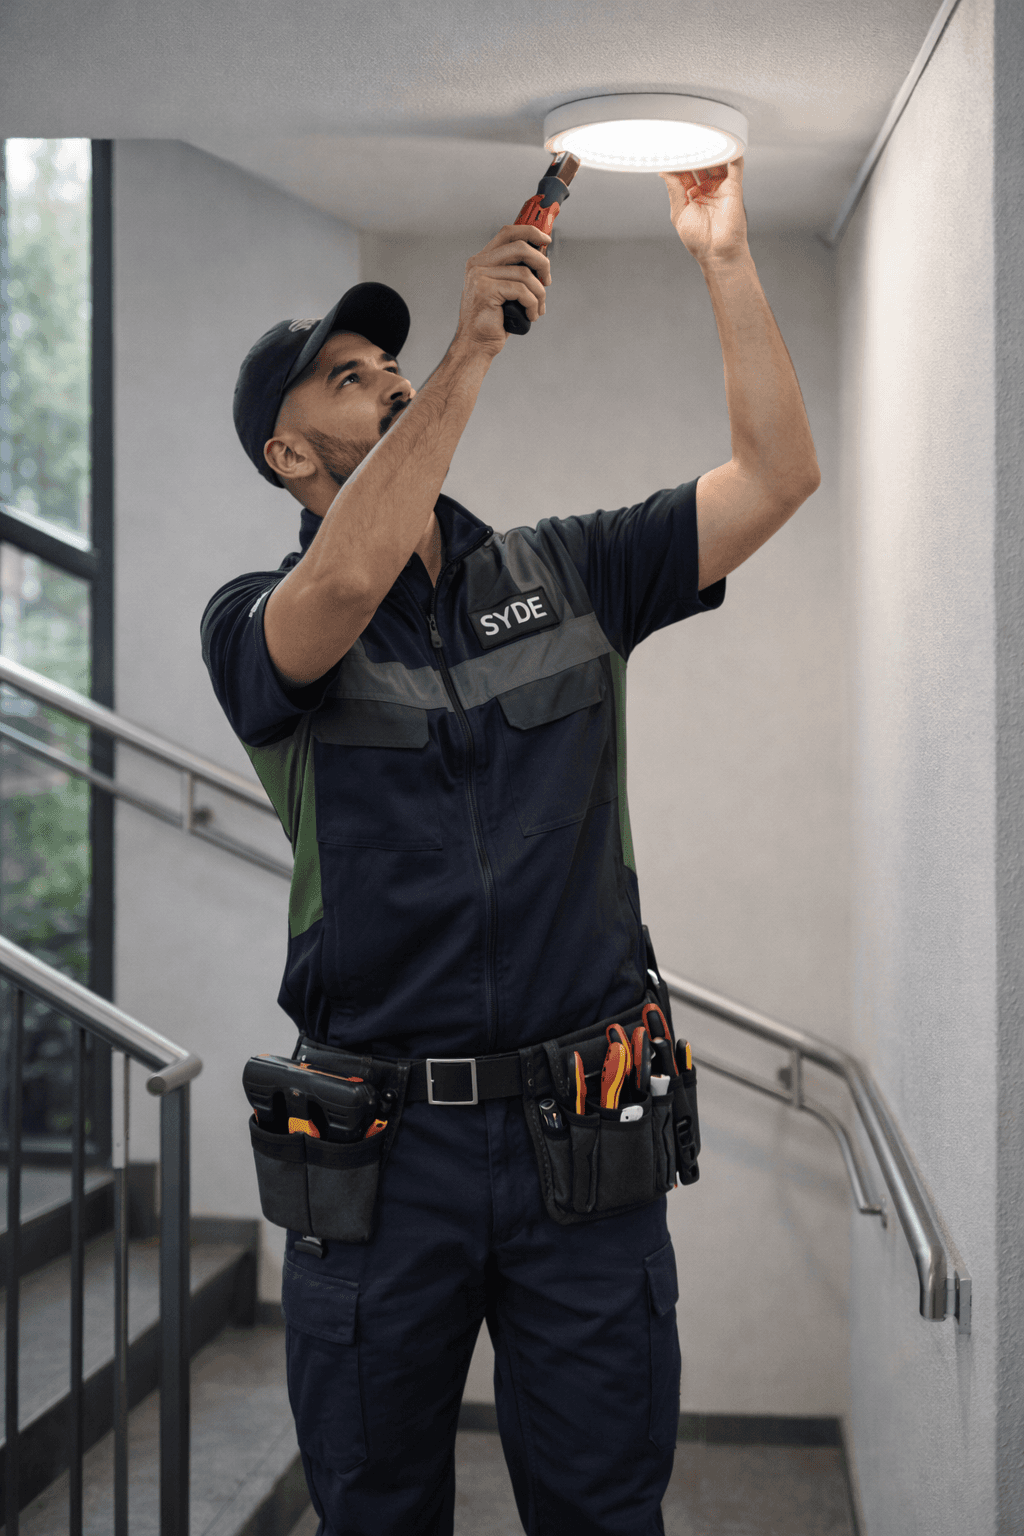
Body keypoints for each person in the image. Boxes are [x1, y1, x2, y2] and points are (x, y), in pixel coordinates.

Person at [202, 158, 819, 1536]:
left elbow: (779, 474)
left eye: (388, 361)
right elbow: (348, 579)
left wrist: (722, 252)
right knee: (376, 1510)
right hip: (382, 1157)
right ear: (287, 455)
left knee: (605, 1512)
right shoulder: (252, 622)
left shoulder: (568, 574)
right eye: (346, 375)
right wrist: (471, 344)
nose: (387, 377)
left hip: (578, 1142)